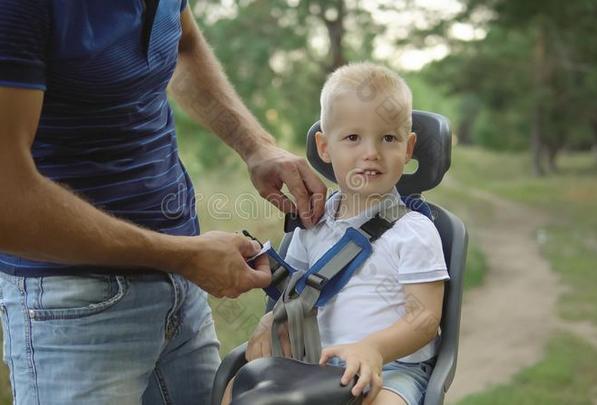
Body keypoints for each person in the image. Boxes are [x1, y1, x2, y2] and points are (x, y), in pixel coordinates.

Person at [0, 1, 326, 404]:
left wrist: (256, 146)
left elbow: (181, 44)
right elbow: (7, 203)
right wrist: (183, 255)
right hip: (74, 310)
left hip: (181, 293)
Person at [239, 62, 449, 405]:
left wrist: (373, 349)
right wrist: (271, 321)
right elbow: (292, 295)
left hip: (390, 368)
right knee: (240, 388)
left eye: (389, 138)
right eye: (353, 137)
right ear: (324, 147)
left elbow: (424, 320)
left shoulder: (415, 232)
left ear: (408, 149)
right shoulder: (312, 224)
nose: (371, 152)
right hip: (312, 364)